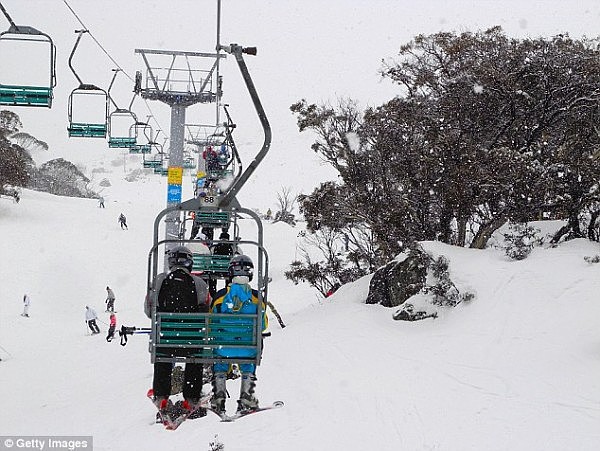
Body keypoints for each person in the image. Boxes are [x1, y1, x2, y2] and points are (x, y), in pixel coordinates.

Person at [145, 245, 210, 417]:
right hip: (191, 342)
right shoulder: (200, 284)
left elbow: (148, 310)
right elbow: (206, 312)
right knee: (195, 359)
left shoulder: (159, 281)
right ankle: (191, 397)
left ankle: (161, 395)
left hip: (165, 341)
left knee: (162, 357)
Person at [210, 255, 268, 413]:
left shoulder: (220, 297)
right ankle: (246, 396)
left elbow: (211, 325)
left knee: (219, 353)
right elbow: (262, 325)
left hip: (223, 348)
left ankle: (219, 396)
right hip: (248, 349)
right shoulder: (257, 298)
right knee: (250, 351)